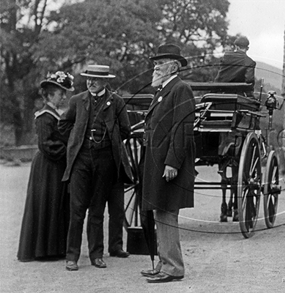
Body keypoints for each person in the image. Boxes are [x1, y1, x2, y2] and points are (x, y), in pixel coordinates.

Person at [59, 64, 132, 271]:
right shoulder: (77, 101)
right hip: (81, 161)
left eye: (95, 79)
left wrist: (109, 143)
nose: (90, 82)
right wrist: (76, 141)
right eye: (88, 78)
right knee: (77, 210)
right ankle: (71, 256)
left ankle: (96, 255)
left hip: (105, 161)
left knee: (97, 210)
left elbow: (126, 130)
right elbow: (63, 125)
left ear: (105, 81)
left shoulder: (116, 102)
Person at [140, 44, 195, 283]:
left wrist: (172, 162)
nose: (155, 68)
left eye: (159, 65)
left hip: (168, 163)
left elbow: (182, 129)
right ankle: (165, 263)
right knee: (161, 211)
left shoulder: (180, 89)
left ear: (173, 66)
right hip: (158, 161)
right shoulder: (165, 89)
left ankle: (173, 267)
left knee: (167, 212)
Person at [17, 71, 74, 261]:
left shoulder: (55, 115)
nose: (63, 97)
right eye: (60, 94)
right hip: (47, 166)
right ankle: (43, 250)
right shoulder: (44, 116)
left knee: (55, 204)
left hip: (55, 166)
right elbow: (45, 144)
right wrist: (67, 152)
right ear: (50, 95)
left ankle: (54, 248)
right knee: (46, 203)